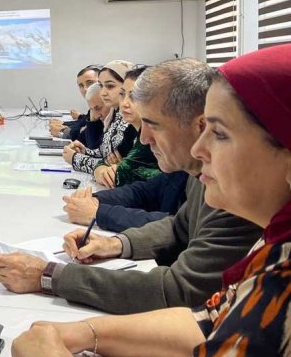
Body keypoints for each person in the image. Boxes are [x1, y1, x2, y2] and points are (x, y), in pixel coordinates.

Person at [10, 45, 291, 357]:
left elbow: (184, 292)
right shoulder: (273, 245)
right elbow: (210, 317)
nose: (199, 147)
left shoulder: (282, 289)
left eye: (219, 133)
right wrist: (86, 333)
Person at [0, 58, 263, 315]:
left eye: (153, 125)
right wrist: (117, 243)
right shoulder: (201, 172)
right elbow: (179, 226)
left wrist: (50, 275)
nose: (143, 138)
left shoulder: (235, 190)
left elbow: (178, 290)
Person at [62, 60, 207, 233]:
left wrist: (98, 213)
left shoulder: (216, 179)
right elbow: (145, 191)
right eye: (123, 94)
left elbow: (181, 227)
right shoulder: (186, 169)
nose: (144, 139)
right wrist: (93, 199)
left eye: (154, 125)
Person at [64, 60, 138, 174]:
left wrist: (75, 159)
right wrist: (85, 152)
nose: (103, 92)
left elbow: (128, 169)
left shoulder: (133, 118)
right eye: (101, 86)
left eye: (110, 86)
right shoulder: (118, 114)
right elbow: (106, 153)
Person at [93, 66, 160, 188]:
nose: (124, 103)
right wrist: (101, 170)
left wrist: (113, 170)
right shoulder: (133, 130)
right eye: (122, 94)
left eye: (134, 96)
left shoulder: (154, 135)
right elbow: (106, 160)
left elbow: (119, 176)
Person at [49, 65, 100, 138]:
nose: (85, 89)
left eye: (90, 83)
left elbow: (91, 133)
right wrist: (65, 124)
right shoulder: (94, 105)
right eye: (81, 85)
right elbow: (85, 123)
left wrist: (63, 131)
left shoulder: (106, 106)